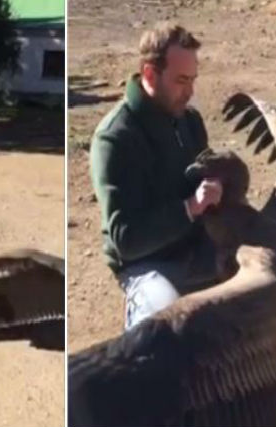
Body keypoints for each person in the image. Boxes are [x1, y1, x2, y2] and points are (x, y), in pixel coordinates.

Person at [90, 23, 223, 331]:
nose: (190, 92)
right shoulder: (115, 139)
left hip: (199, 248)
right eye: (181, 81)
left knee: (270, 281)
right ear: (150, 74)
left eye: (192, 80)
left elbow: (206, 178)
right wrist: (190, 207)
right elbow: (126, 240)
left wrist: (221, 182)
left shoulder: (189, 121)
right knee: (169, 328)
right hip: (146, 264)